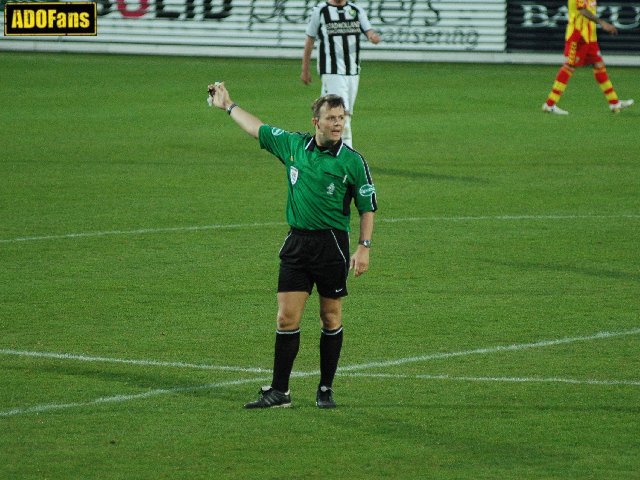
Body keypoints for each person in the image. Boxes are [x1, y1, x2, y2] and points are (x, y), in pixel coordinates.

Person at [207, 82, 377, 409]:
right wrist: (228, 106)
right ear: (316, 121)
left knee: (330, 316)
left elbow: (366, 206)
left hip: (332, 246)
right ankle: (280, 391)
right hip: (297, 244)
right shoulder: (294, 146)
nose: (338, 123)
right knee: (286, 318)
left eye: (342, 118)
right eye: (332, 118)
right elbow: (257, 129)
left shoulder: (353, 161)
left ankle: (325, 388)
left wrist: (364, 246)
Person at [301, 0, 380, 147]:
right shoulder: (320, 11)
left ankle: (321, 147)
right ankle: (346, 155)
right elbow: (310, 40)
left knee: (343, 115)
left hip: (353, 73)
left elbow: (368, 31)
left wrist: (373, 37)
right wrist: (305, 69)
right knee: (342, 115)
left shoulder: (356, 11)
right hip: (332, 72)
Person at [542, 0, 633, 115]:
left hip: (590, 38)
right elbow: (582, 10)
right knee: (569, 66)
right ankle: (549, 104)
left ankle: (614, 103)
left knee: (599, 65)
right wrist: (602, 22)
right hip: (578, 36)